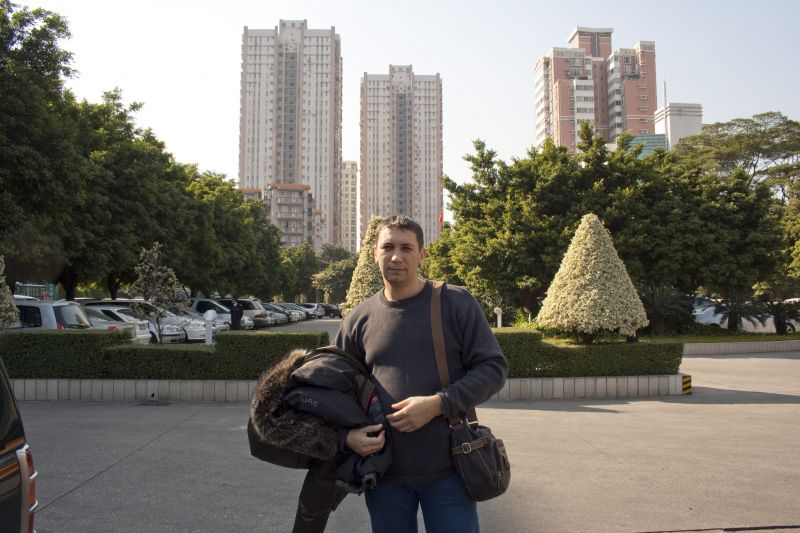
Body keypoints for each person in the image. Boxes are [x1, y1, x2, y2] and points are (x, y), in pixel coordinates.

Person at [334, 215, 507, 533]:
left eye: (406, 248)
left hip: (450, 469)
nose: (396, 256)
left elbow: (493, 368)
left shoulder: (455, 302)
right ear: (374, 253)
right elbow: (338, 392)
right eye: (387, 247)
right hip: (384, 474)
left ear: (421, 255)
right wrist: (347, 437)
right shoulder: (358, 319)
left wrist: (438, 404)